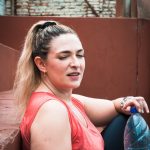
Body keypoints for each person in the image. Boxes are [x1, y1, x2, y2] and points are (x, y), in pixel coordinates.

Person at [13, 20, 149, 150]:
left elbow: (115, 106)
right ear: (41, 64)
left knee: (125, 119)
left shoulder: (71, 101)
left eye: (80, 55)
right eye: (64, 56)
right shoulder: (52, 111)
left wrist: (128, 103)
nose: (76, 64)